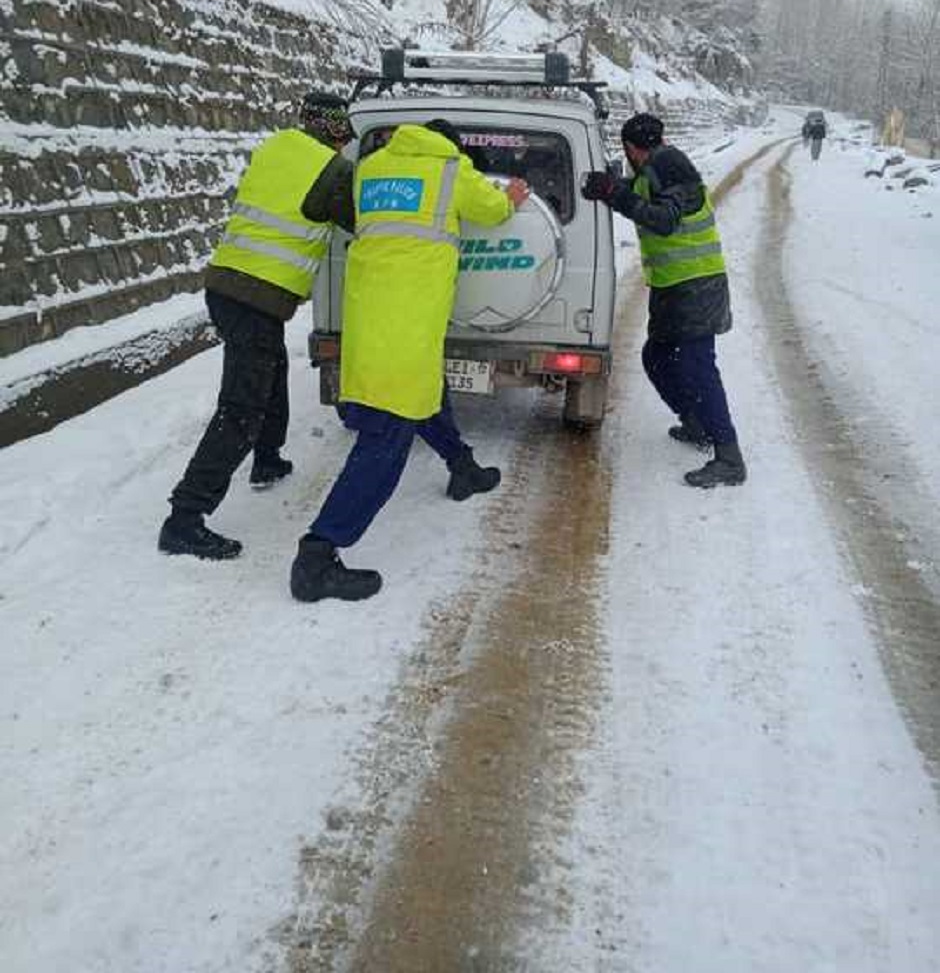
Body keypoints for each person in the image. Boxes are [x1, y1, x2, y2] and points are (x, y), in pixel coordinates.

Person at [290, 118, 530, 603]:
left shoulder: (371, 166)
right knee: (387, 434)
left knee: (423, 391)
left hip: (369, 313)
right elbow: (493, 210)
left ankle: (462, 466)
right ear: (451, 145)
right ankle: (318, 554)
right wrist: (516, 195)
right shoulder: (451, 168)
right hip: (411, 316)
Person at [158, 91, 357, 560]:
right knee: (241, 406)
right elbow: (359, 220)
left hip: (225, 285)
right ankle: (185, 518)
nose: (345, 145)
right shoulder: (334, 171)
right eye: (343, 136)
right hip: (257, 296)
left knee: (273, 366)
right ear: (333, 131)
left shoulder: (276, 145)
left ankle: (267, 458)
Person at [582, 112, 746, 488]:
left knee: (699, 367)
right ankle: (696, 422)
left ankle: (729, 456)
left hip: (696, 286)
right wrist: (610, 187)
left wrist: (614, 193)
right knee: (656, 358)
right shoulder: (655, 168)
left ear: (630, 148)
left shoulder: (669, 166)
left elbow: (664, 218)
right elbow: (644, 195)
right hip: (674, 287)